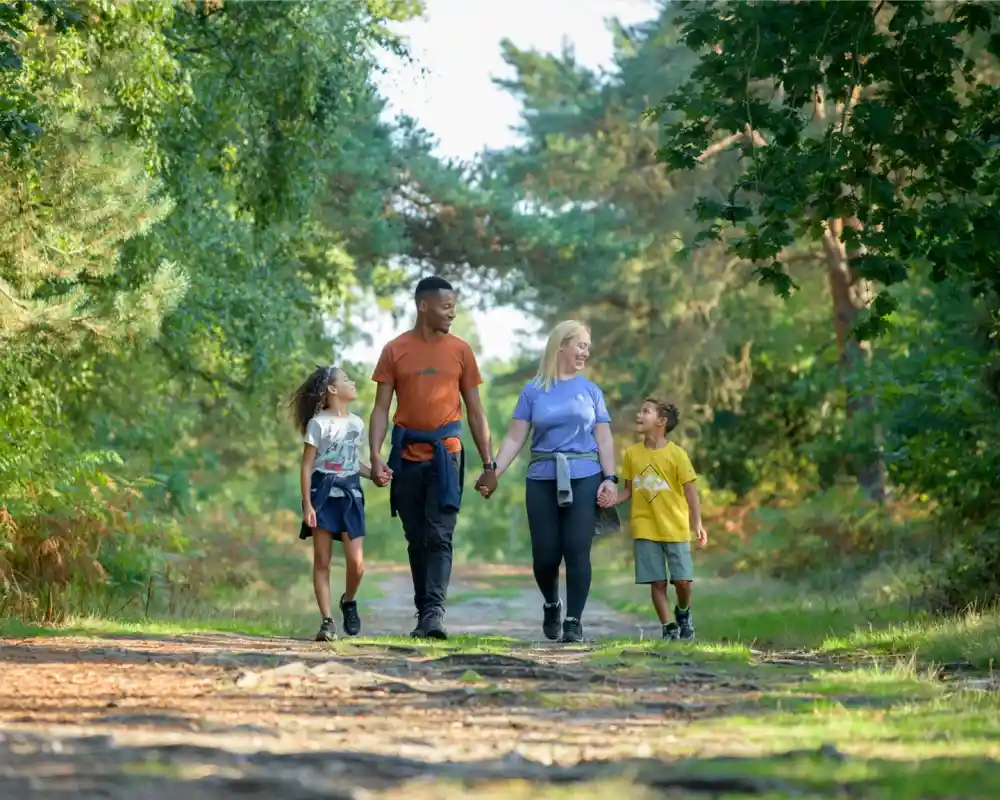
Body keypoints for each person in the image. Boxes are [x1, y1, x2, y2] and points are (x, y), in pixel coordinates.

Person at [368, 276, 495, 640]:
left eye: (454, 306)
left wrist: (489, 465)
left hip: (447, 456)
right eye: (446, 306)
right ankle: (425, 608)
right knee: (416, 537)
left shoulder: (460, 350)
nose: (452, 313)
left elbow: (476, 410)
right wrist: (375, 456)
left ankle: (433, 612)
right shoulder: (395, 349)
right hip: (406, 455)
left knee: (439, 535)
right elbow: (380, 409)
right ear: (424, 306)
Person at [478, 320, 617, 643]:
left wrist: (609, 479)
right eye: (581, 344)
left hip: (585, 475)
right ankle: (552, 603)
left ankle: (573, 620)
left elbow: (605, 440)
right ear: (561, 346)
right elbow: (515, 439)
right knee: (545, 554)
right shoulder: (533, 390)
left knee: (577, 549)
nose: (586, 351)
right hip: (542, 477)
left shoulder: (591, 392)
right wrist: (493, 472)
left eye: (588, 346)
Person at [293, 365, 388, 642]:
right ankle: (327, 621)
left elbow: (351, 462)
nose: (352, 382)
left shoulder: (357, 423)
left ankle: (348, 600)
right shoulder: (318, 424)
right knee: (322, 560)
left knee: (356, 564)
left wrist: (375, 474)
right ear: (333, 390)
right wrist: (307, 505)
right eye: (345, 379)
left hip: (350, 495)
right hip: (323, 495)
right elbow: (307, 466)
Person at [613, 398, 708, 641]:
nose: (639, 414)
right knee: (657, 582)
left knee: (683, 581)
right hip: (645, 527)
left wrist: (697, 523)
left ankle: (683, 612)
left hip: (675, 527)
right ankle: (668, 627)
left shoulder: (677, 455)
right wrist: (610, 499)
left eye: (646, 411)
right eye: (640, 410)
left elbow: (691, 493)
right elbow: (628, 491)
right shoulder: (632, 454)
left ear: (661, 422)